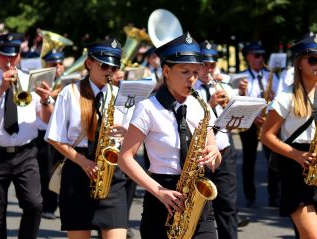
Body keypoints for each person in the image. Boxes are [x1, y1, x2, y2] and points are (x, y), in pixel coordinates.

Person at [118, 32, 222, 239]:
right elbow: (124, 158)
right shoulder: (147, 108)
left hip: (197, 197)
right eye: (184, 72)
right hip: (162, 197)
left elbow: (215, 159)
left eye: (195, 71)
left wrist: (214, 153)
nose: (192, 78)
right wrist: (158, 191)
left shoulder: (200, 105)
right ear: (166, 71)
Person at [261, 33, 317, 239]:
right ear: (299, 63)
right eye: (312, 59)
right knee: (313, 236)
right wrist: (296, 155)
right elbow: (266, 136)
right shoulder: (285, 97)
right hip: (296, 166)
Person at [45, 38, 129, 239]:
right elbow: (54, 137)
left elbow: (134, 143)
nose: (110, 70)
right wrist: (83, 162)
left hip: (111, 174)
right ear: (89, 63)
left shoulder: (122, 96)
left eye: (114, 66)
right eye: (104, 65)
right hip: (77, 171)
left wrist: (126, 133)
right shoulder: (70, 92)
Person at [0, 33, 53, 239]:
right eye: (4, 55)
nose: (9, 60)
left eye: (13, 55)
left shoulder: (30, 78)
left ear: (19, 55)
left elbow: (46, 120)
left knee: (35, 204)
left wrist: (45, 101)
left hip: (25, 153)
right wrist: (1, 88)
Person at [194, 40, 248, 239]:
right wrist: (210, 104)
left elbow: (232, 127)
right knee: (200, 209)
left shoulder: (225, 87)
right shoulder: (191, 91)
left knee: (228, 205)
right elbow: (195, 126)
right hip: (201, 155)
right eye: (205, 64)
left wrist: (234, 112)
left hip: (224, 152)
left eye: (212, 65)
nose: (209, 69)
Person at [239, 41, 281, 208]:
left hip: (267, 122)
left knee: (273, 159)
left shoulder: (272, 75)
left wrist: (273, 96)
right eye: (257, 55)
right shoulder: (241, 77)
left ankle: (274, 196)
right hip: (250, 123)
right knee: (249, 161)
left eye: (262, 55)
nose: (260, 58)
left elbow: (279, 99)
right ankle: (250, 195)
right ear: (249, 57)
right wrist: (241, 93)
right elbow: (238, 102)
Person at [36, 49, 66, 220]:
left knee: (62, 170)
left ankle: (62, 203)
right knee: (46, 171)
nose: (58, 67)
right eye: (53, 64)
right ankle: (48, 205)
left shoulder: (68, 84)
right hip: (43, 134)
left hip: (62, 134)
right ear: (45, 65)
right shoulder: (39, 83)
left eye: (60, 63)